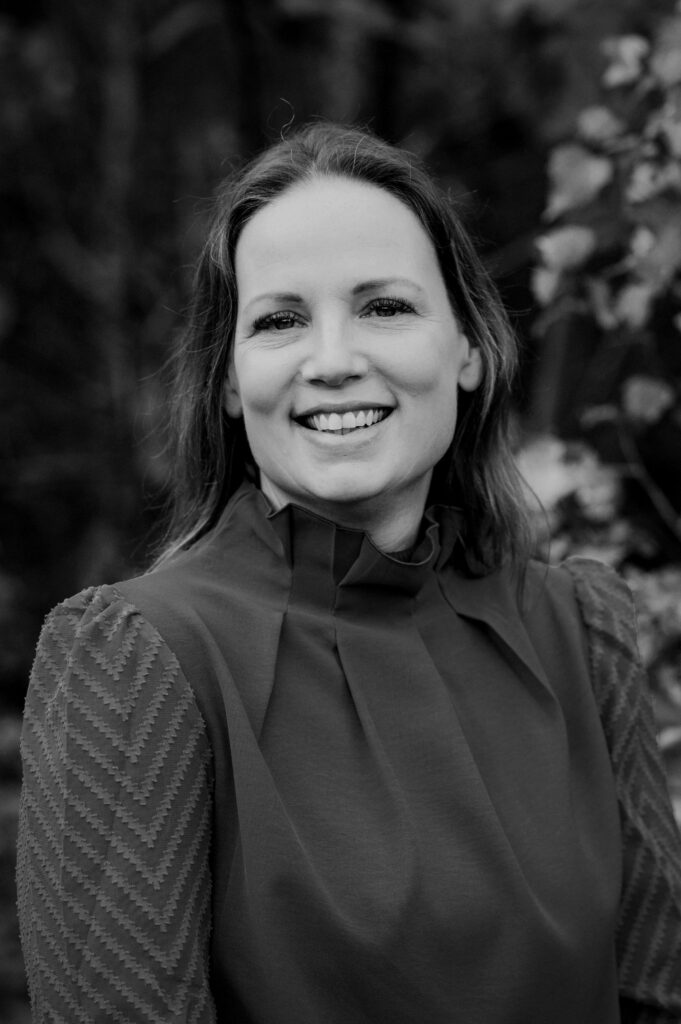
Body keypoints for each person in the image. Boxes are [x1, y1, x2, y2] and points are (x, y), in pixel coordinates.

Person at [16, 122, 681, 1024]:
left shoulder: (580, 634)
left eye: (385, 307)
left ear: (467, 349)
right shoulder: (138, 662)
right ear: (228, 380)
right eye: (280, 321)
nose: (332, 362)